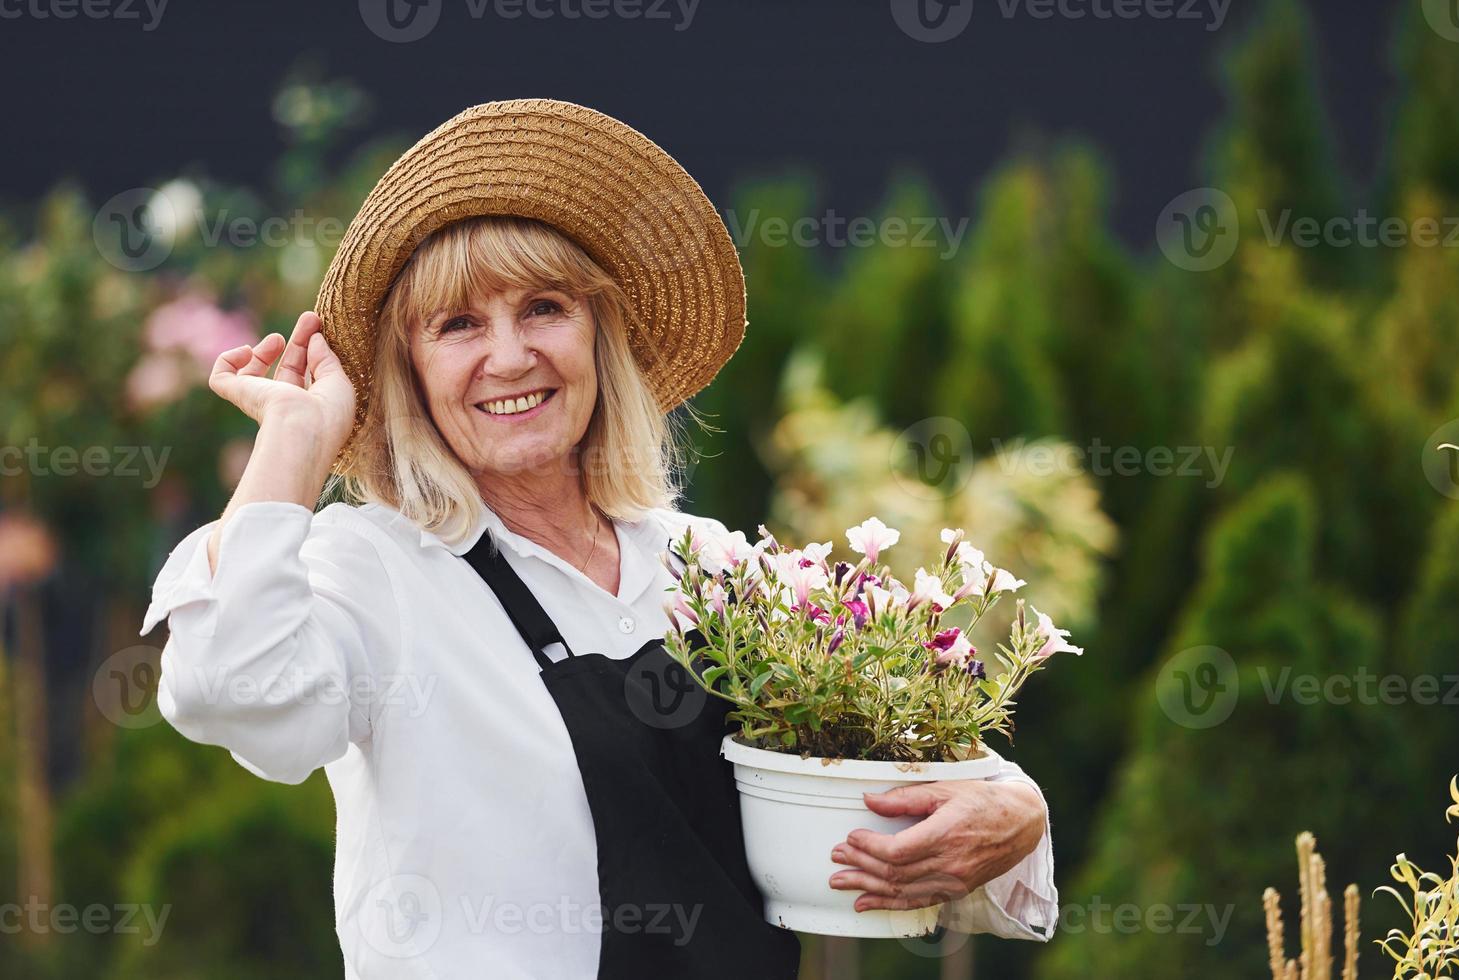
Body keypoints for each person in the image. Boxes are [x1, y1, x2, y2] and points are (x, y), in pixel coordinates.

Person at [140, 99, 1057, 979]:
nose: (508, 357)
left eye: (544, 307)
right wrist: (295, 446)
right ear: (410, 372)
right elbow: (235, 692)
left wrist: (1016, 809)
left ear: (599, 333)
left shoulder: (710, 566)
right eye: (458, 325)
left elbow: (902, 771)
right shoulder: (376, 569)